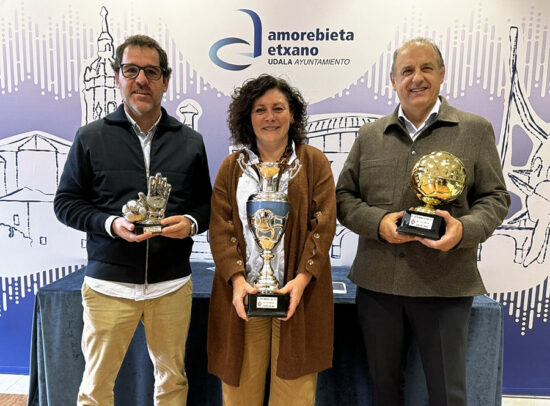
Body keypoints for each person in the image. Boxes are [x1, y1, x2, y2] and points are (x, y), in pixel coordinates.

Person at [336, 37, 510, 406]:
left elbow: (496, 198)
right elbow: (344, 198)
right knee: (384, 392)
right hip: (379, 285)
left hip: (446, 285)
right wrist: (379, 223)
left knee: (448, 394)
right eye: (407, 71)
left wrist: (463, 230)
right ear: (393, 80)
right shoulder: (370, 135)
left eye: (426, 68)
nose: (417, 78)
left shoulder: (475, 130)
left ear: (442, 74)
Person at [54, 34, 212, 406]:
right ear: (117, 78)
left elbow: (207, 205)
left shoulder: (190, 141)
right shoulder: (90, 137)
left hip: (170, 285)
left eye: (151, 72)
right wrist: (111, 224)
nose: (141, 79)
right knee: (96, 389)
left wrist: (191, 223)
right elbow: (66, 203)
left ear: (165, 81)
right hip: (108, 286)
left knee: (172, 383)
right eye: (131, 70)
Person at [207, 74, 336, 406]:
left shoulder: (313, 162)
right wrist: (237, 281)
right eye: (260, 109)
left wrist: (301, 281)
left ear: (292, 115)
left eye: (278, 108)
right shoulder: (231, 168)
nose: (270, 117)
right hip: (243, 298)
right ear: (247, 117)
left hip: (297, 297)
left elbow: (322, 227)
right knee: (239, 394)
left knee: (294, 395)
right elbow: (220, 228)